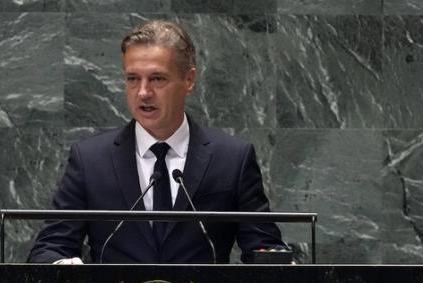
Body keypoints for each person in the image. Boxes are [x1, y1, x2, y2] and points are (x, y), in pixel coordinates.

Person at [28, 19, 284, 264]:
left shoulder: (232, 159)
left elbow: (264, 249)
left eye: (157, 79)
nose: (143, 92)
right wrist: (63, 267)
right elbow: (50, 247)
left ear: (189, 80)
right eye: (132, 79)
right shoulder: (91, 160)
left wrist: (281, 265)